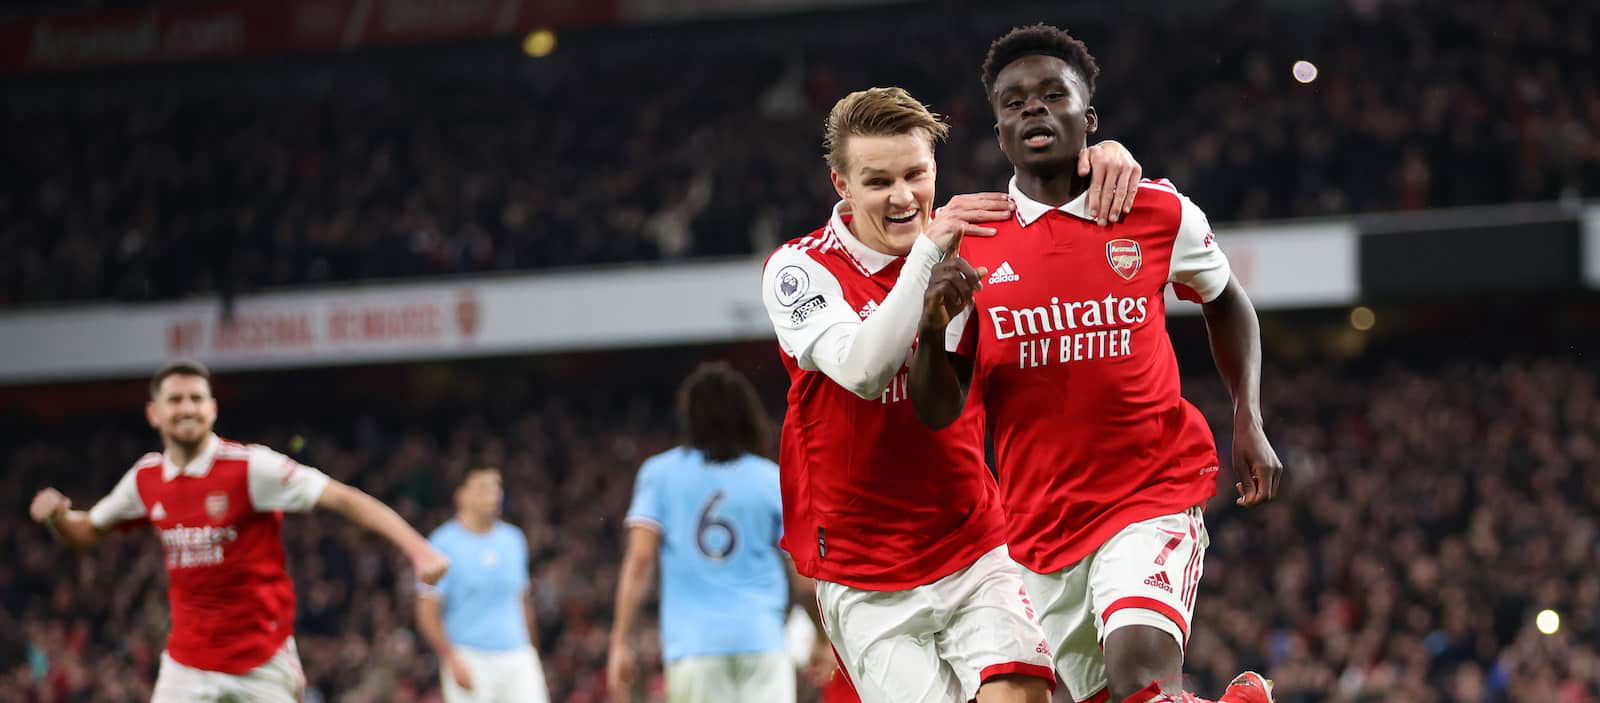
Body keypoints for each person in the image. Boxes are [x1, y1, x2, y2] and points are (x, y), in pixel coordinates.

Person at [909, 25, 1284, 703]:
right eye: (1014, 101)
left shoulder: (1156, 211)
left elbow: (1227, 299)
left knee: (1140, 670)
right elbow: (938, 409)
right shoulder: (972, 244)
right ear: (999, 132)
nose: (1034, 108)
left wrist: (1247, 415)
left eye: (1054, 94)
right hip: (1038, 527)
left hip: (1151, 494)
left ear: (1089, 117)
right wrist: (930, 332)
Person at [757, 86, 1143, 703]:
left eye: (915, 174)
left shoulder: (976, 245)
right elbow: (864, 369)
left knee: (1023, 693)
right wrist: (928, 254)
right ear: (842, 185)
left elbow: (1062, 223)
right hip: (864, 574)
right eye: (878, 181)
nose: (903, 197)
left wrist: (1101, 160)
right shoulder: (800, 269)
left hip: (974, 544)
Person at [27, 359, 449, 703]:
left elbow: (343, 498)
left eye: (196, 399)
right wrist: (58, 517)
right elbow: (88, 530)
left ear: (212, 409)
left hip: (261, 662)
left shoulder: (249, 467)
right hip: (186, 665)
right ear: (154, 413)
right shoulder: (145, 478)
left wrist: (418, 549)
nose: (187, 408)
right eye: (175, 400)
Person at [606, 361, 813, 703]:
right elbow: (803, 578)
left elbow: (640, 560)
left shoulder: (660, 475)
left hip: (693, 649)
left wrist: (620, 641)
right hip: (762, 643)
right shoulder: (768, 478)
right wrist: (821, 638)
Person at [417, 466, 551, 703]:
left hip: (518, 656)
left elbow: (522, 601)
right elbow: (427, 612)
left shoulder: (514, 539)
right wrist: (451, 659)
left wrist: (532, 652)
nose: (493, 494)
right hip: (469, 657)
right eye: (482, 487)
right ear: (460, 495)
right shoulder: (441, 544)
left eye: (496, 486)